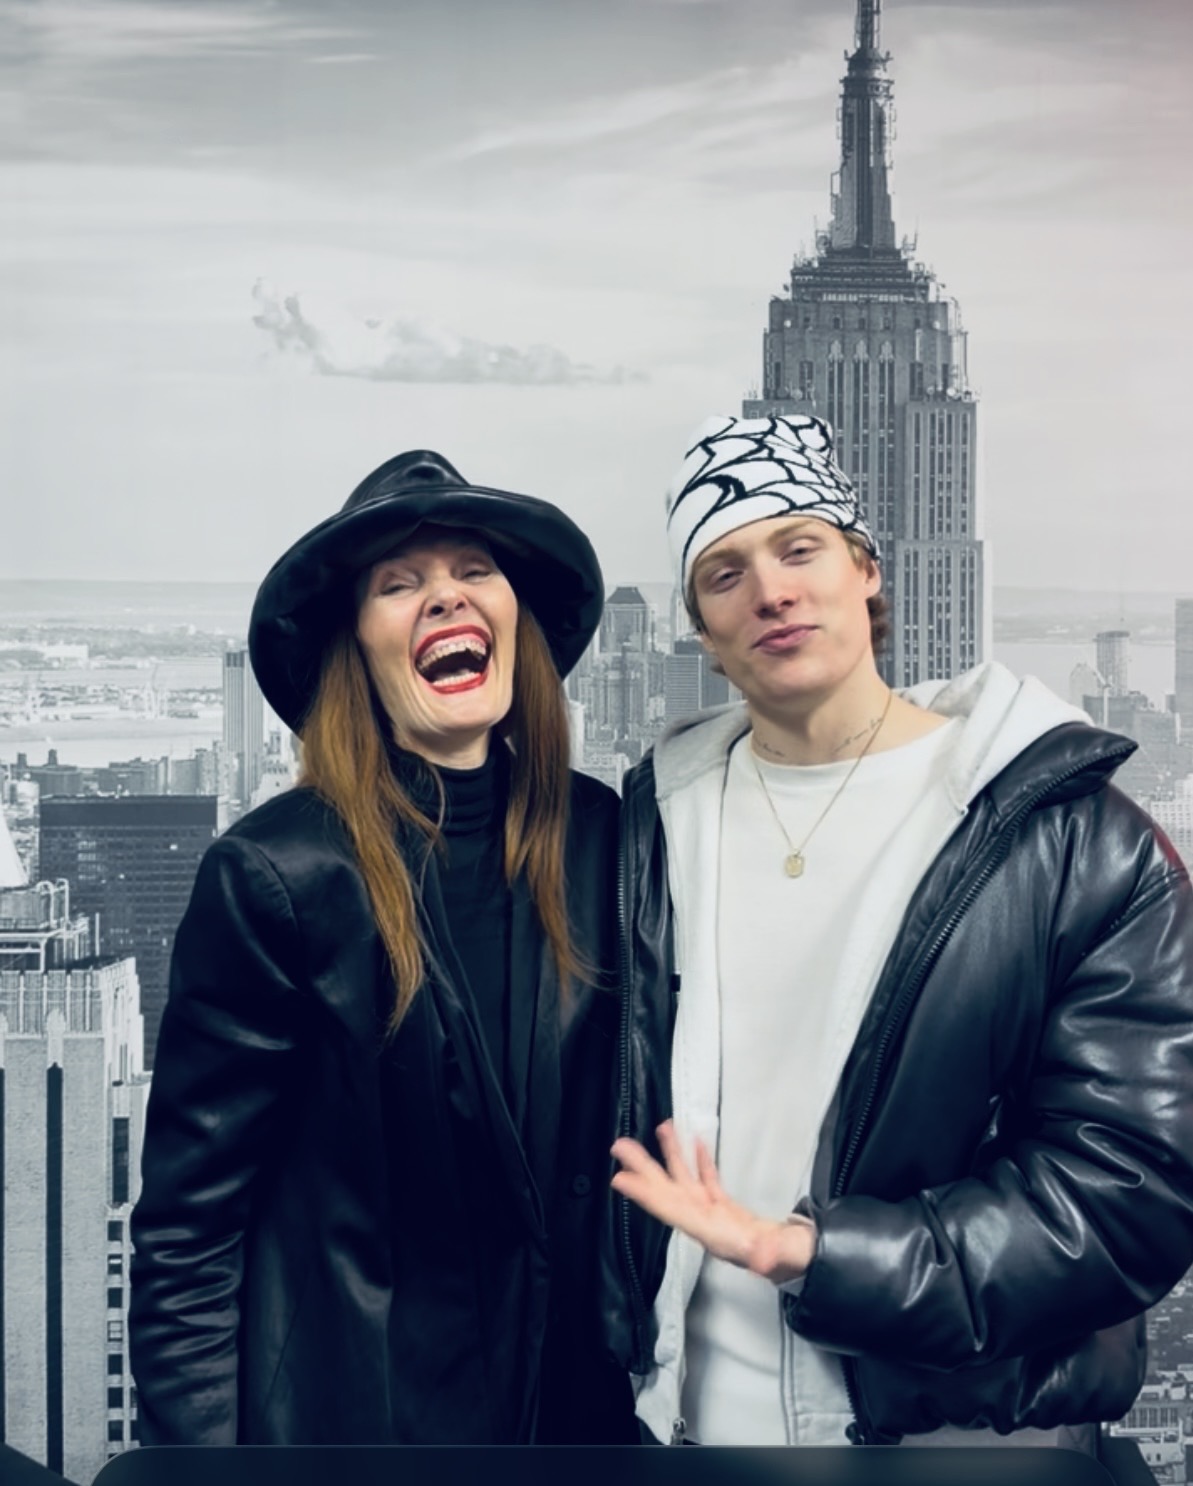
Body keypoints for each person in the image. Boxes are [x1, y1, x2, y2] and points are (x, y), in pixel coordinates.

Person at [606, 412, 1193, 1451]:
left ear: (866, 570)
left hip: (950, 1440)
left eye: (798, 548)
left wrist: (816, 1257)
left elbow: (1127, 1195)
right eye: (724, 573)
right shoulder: (649, 833)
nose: (770, 591)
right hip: (684, 1432)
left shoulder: (1074, 841)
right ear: (699, 632)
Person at [130, 449, 635, 1446]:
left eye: (474, 571)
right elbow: (190, 1234)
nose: (445, 596)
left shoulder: (604, 840)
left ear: (517, 623)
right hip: (363, 1434)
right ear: (354, 650)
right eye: (398, 585)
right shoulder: (276, 875)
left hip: (578, 1424)